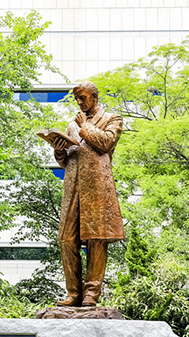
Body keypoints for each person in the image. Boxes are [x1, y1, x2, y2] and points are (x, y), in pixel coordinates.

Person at [52, 81, 125, 307]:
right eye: (77, 98)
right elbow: (67, 159)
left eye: (82, 97)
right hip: (73, 185)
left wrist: (85, 126)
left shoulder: (112, 118)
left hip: (97, 187)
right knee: (66, 239)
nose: (79, 102)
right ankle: (73, 293)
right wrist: (58, 150)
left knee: (96, 239)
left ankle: (91, 293)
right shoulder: (72, 125)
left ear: (94, 96)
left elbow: (106, 142)